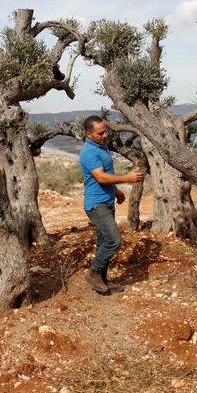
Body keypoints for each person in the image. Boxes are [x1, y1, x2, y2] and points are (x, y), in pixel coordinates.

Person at [80, 115, 145, 295]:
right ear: (89, 134)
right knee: (113, 241)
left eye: (105, 130)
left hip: (106, 201)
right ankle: (93, 274)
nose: (105, 135)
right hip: (96, 204)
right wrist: (127, 178)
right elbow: (100, 177)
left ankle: (102, 280)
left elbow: (106, 175)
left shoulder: (101, 147)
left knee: (103, 242)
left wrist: (116, 191)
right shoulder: (89, 152)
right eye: (100, 133)